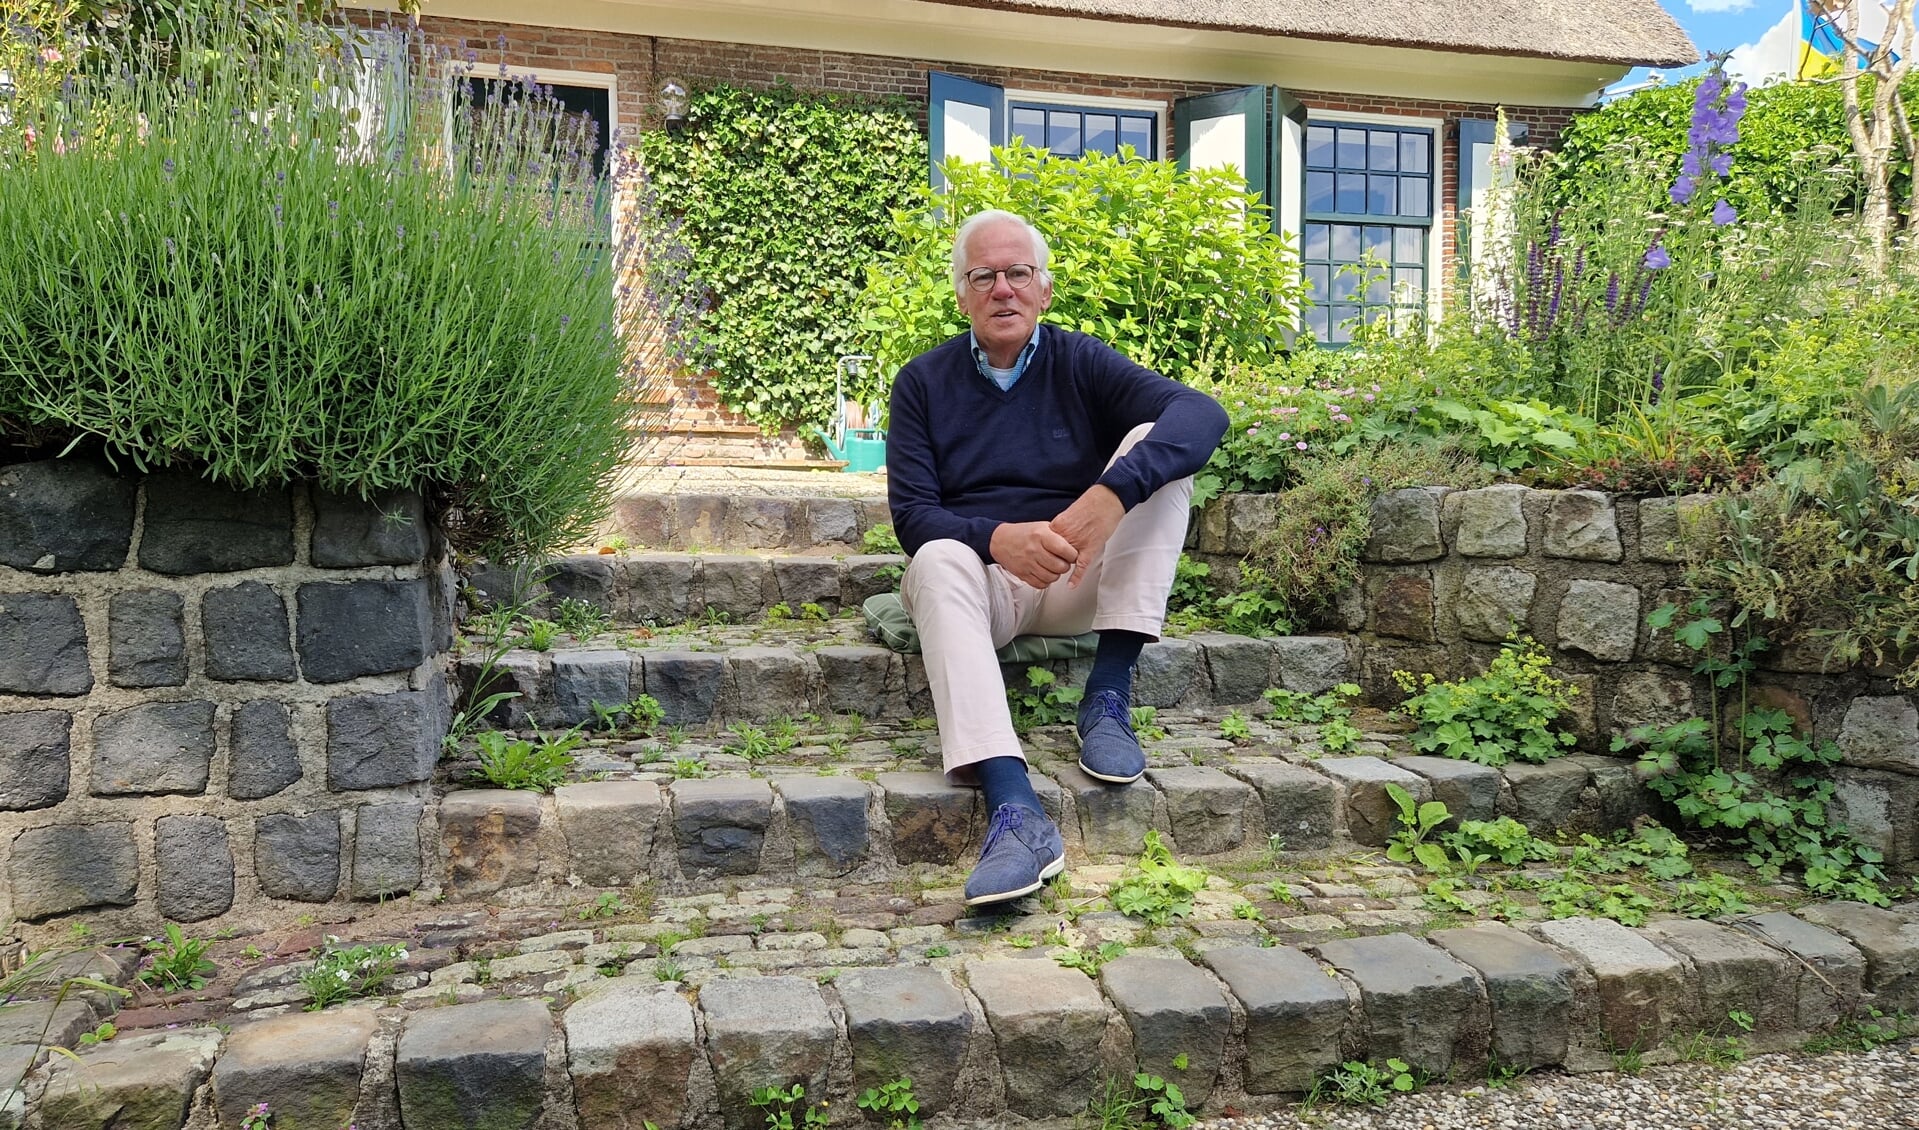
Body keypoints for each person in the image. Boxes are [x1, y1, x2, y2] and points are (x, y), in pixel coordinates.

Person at [886, 208, 1229, 906]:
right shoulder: (921, 383)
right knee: (932, 558)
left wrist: (1109, 496)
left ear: (1043, 290)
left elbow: (1203, 414)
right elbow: (912, 515)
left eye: (1018, 273)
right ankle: (1015, 809)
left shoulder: (1083, 361)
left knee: (1156, 453)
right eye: (983, 276)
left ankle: (1106, 694)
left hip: (1079, 575)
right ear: (962, 295)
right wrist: (994, 538)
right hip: (990, 586)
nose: (1002, 289)